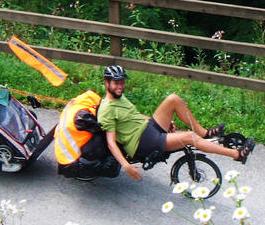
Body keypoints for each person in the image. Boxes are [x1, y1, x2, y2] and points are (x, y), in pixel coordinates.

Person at [97, 65, 254, 181]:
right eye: (116, 83)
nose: (120, 86)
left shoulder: (119, 97)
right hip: (142, 143)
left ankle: (204, 133)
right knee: (189, 138)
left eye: (122, 82)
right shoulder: (107, 110)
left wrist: (160, 121)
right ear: (106, 82)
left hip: (148, 128)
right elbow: (111, 142)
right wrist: (126, 165)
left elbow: (134, 116)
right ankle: (237, 154)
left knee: (173, 99)